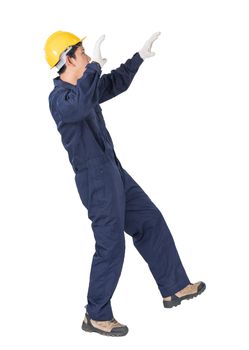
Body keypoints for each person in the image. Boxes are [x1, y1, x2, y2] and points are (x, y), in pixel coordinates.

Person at [44, 30, 206, 337]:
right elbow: (78, 106)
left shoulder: (84, 88)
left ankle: (174, 287)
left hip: (113, 171)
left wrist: (138, 58)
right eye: (83, 53)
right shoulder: (60, 99)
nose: (89, 57)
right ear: (68, 60)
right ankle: (96, 314)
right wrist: (94, 71)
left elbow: (114, 84)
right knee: (111, 244)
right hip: (96, 181)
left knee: (151, 221)